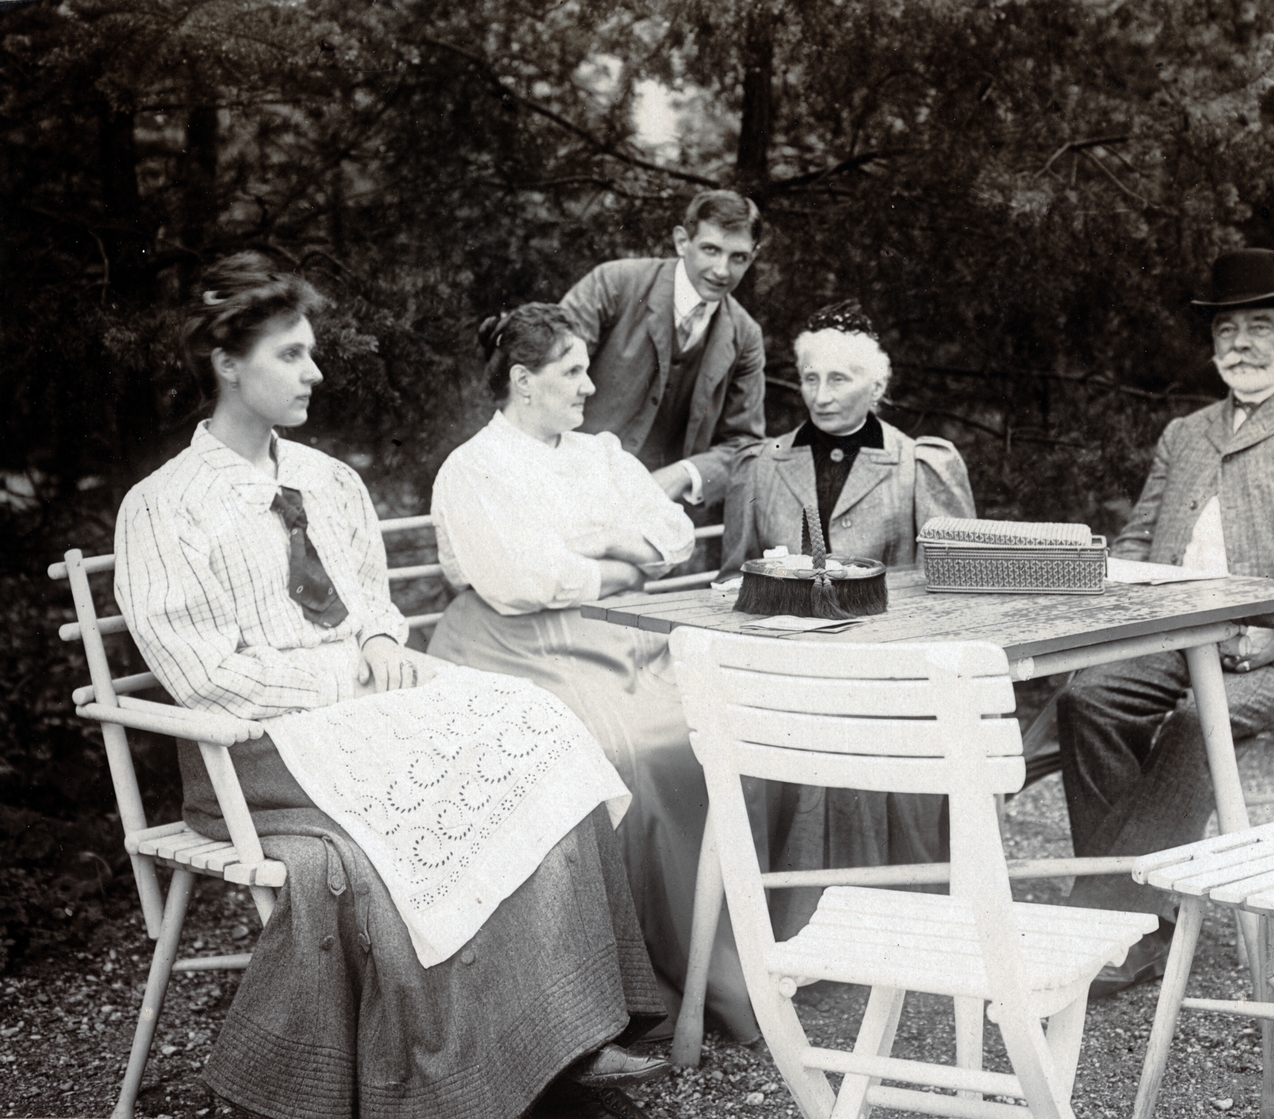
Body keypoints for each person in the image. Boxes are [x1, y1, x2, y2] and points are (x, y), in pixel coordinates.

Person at [113, 254, 667, 1119]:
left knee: (544, 731)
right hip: (256, 750)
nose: (314, 372)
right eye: (291, 354)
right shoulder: (163, 506)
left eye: (312, 352)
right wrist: (345, 672)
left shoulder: (329, 481)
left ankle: (558, 1038)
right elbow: (204, 675)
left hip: (368, 720)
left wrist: (376, 636)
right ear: (226, 363)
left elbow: (373, 602)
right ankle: (455, 1077)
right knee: (430, 828)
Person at [1056, 248, 1274, 996]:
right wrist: (1115, 617)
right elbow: (1137, 546)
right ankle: (1145, 916)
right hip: (1179, 636)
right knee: (1088, 699)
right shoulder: (1186, 433)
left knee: (1197, 721)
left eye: (1260, 326)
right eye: (1225, 330)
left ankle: (1109, 927)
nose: (1240, 344)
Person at [426, 303, 761, 1045]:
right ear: (524, 381)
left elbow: (672, 537)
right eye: (572, 372)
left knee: (714, 728)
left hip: (615, 639)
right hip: (509, 648)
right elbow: (520, 581)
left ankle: (730, 954)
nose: (589, 386)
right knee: (624, 752)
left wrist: (600, 543)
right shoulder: (475, 469)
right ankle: (631, 983)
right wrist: (617, 565)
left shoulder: (599, 454)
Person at [720, 300, 977, 938]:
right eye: (811, 378)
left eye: (840, 379)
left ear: (877, 386)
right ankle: (794, 928)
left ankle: (891, 925)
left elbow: (955, 592)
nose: (822, 395)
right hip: (784, 674)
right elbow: (733, 583)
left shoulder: (920, 463)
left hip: (889, 676)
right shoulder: (762, 465)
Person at [559, 189, 766, 514]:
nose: (722, 270)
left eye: (737, 257)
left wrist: (683, 474)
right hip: (567, 487)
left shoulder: (746, 336)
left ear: (751, 258)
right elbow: (548, 376)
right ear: (682, 241)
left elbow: (745, 446)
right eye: (710, 250)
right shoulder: (614, 284)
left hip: (659, 513)